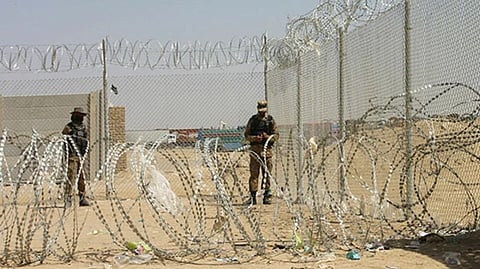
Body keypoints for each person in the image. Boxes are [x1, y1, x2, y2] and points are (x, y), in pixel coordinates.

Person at [244, 99, 279, 205]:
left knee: (266, 174)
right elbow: (246, 136)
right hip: (255, 151)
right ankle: (253, 196)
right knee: (254, 174)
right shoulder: (253, 120)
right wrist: (255, 138)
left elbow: (276, 135)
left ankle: (267, 196)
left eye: (263, 110)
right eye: (260, 110)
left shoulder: (270, 121)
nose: (262, 112)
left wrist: (267, 137)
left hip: (266, 151)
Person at [62, 107, 90, 207]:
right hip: (72, 156)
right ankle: (68, 197)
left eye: (82, 116)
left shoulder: (83, 128)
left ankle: (82, 197)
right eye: (79, 115)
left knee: (81, 178)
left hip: (81, 156)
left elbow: (85, 140)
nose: (81, 117)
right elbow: (65, 138)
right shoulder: (69, 127)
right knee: (71, 176)